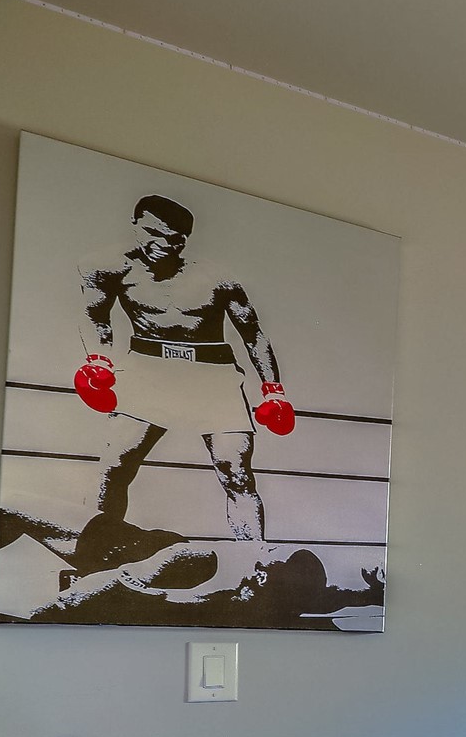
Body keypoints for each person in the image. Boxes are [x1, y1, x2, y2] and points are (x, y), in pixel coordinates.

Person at [73, 194, 298, 542]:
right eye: (151, 233)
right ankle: (93, 550)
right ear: (135, 225)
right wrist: (97, 360)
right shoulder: (104, 267)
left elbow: (253, 335)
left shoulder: (217, 279)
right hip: (149, 369)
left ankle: (254, 558)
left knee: (236, 472)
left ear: (184, 241)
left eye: (173, 239)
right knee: (115, 465)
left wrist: (274, 391)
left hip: (212, 376)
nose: (161, 245)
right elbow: (96, 317)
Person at [0, 493, 380, 629]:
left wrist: (373, 593)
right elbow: (111, 583)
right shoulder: (201, 561)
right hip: (109, 545)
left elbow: (335, 597)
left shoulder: (283, 601)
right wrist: (34, 621)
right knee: (7, 509)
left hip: (127, 572)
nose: (262, 562)